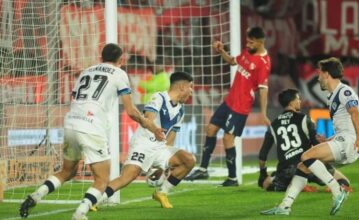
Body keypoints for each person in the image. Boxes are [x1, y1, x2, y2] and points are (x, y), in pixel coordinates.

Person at [19, 43, 164, 220]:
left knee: (67, 171)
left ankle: (35, 196)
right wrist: (153, 127)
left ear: (101, 57)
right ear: (121, 59)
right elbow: (131, 111)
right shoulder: (119, 74)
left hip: (71, 123)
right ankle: (79, 214)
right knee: (102, 180)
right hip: (91, 126)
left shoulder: (86, 71)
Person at [261, 57, 359, 216]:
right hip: (343, 141)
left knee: (306, 156)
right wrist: (330, 140)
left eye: (319, 74)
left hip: (350, 142)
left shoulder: (344, 91)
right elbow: (345, 123)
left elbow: (355, 112)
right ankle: (285, 206)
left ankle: (337, 190)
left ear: (326, 74)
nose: (318, 77)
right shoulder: (332, 96)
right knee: (302, 166)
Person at [185, 26, 271, 186]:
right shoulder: (247, 52)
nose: (248, 44)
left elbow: (263, 90)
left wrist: (264, 113)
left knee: (227, 138)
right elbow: (232, 61)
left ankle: (232, 178)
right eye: (247, 41)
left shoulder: (263, 63)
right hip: (229, 101)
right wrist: (221, 51)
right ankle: (203, 170)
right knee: (210, 129)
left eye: (251, 42)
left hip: (241, 106)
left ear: (260, 42)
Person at [97, 71, 195, 209]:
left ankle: (162, 193)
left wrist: (163, 166)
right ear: (182, 87)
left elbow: (171, 137)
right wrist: (155, 130)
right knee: (129, 176)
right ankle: (96, 199)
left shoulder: (180, 111)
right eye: (191, 87)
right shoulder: (159, 97)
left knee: (189, 160)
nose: (191, 92)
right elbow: (148, 117)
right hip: (143, 144)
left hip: (160, 148)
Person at [258, 89, 351, 192]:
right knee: (344, 181)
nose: (300, 101)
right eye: (298, 99)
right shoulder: (304, 119)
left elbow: (262, 155)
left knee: (266, 183)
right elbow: (316, 146)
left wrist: (263, 172)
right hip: (309, 167)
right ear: (291, 102)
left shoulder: (273, 125)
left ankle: (294, 185)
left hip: (285, 171)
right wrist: (325, 144)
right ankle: (335, 187)